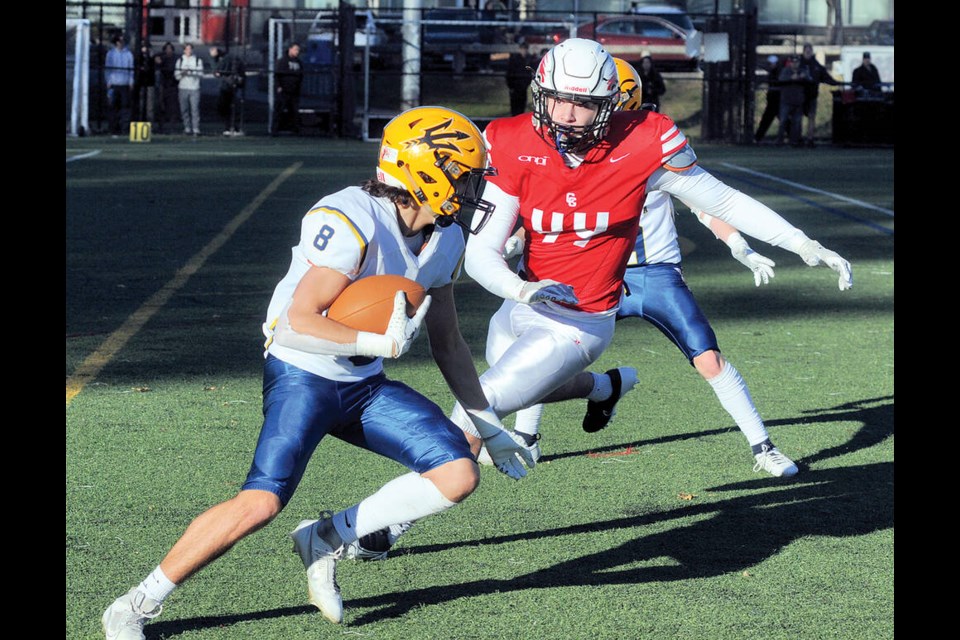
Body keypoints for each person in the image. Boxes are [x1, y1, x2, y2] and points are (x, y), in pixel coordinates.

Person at [345, 40, 852, 561]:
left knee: (475, 412)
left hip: (580, 321)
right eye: (558, 99)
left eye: (583, 103)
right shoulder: (510, 140)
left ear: (610, 103)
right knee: (509, 396)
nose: (567, 113)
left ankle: (376, 526)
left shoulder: (645, 139)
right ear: (540, 93)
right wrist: (521, 287)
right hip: (518, 305)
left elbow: (723, 199)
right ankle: (608, 387)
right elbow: (481, 254)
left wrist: (801, 242)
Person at [100, 106, 536, 639]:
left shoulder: (444, 238)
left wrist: (487, 423)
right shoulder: (350, 215)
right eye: (465, 176)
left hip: (363, 382)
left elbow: (447, 340)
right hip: (303, 372)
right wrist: (373, 340)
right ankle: (135, 604)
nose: (473, 191)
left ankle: (325, 538)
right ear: (428, 172)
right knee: (260, 502)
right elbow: (292, 324)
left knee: (458, 472)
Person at [797, 43, 840, 147]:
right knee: (798, 118)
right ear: (803, 52)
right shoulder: (798, 64)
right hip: (800, 96)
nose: (808, 53)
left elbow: (826, 77)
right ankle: (798, 139)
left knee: (811, 117)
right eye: (806, 51)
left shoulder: (816, 65)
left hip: (812, 95)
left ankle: (810, 139)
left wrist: (837, 83)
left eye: (809, 51)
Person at [210, 46, 245, 135]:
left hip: (228, 87)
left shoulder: (227, 59)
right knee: (227, 107)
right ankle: (230, 127)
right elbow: (217, 73)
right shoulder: (225, 59)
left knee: (228, 107)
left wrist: (213, 58)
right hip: (228, 86)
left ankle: (234, 128)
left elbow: (217, 70)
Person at [104, 34, 134, 135]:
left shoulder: (128, 54)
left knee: (125, 107)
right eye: (120, 41)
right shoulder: (110, 54)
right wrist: (108, 81)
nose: (121, 43)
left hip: (124, 84)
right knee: (113, 107)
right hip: (114, 83)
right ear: (116, 42)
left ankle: (124, 129)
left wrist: (131, 81)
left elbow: (131, 68)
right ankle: (113, 128)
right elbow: (108, 68)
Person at [272, 42, 304, 136]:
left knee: (294, 111)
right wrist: (278, 86)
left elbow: (301, 75)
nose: (297, 52)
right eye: (295, 49)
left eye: (298, 50)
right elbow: (277, 75)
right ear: (290, 49)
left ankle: (295, 130)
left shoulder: (299, 62)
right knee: (279, 110)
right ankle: (275, 130)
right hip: (284, 91)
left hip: (294, 91)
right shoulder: (283, 61)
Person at [776, 55, 808, 147]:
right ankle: (779, 141)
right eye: (793, 62)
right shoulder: (786, 71)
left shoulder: (802, 71)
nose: (795, 64)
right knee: (783, 121)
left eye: (796, 62)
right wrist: (791, 78)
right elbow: (781, 79)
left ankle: (794, 142)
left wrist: (803, 77)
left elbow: (809, 79)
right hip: (786, 100)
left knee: (797, 122)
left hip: (798, 101)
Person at [174, 43, 203, 136]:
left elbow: (201, 74)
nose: (189, 51)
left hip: (194, 88)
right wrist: (183, 73)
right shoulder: (180, 60)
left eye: (190, 49)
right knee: (184, 109)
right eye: (187, 49)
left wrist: (191, 71)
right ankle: (187, 127)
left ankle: (196, 128)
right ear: (184, 50)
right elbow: (176, 76)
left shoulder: (198, 60)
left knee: (195, 109)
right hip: (183, 87)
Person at [754, 55, 783, 143]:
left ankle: (794, 138)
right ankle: (758, 138)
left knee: (784, 120)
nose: (772, 65)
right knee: (766, 120)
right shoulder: (771, 72)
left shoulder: (779, 72)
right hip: (772, 101)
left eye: (773, 63)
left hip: (779, 101)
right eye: (770, 63)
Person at [505, 40, 535, 115]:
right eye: (522, 49)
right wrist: (511, 86)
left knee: (521, 107)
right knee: (515, 107)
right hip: (515, 87)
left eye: (525, 49)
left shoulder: (527, 60)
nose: (524, 51)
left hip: (522, 87)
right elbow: (509, 73)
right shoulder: (514, 59)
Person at [156, 42, 179, 134]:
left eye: (170, 49)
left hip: (173, 85)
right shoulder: (162, 58)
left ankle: (172, 127)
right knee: (161, 106)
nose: (169, 50)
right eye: (167, 49)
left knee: (172, 107)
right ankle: (161, 126)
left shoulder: (176, 59)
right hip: (163, 85)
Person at [134, 43, 157, 125]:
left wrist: (151, 57)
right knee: (140, 104)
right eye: (143, 47)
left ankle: (150, 123)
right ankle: (140, 121)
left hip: (150, 84)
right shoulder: (138, 58)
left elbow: (156, 64)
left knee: (150, 106)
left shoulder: (152, 58)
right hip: (140, 84)